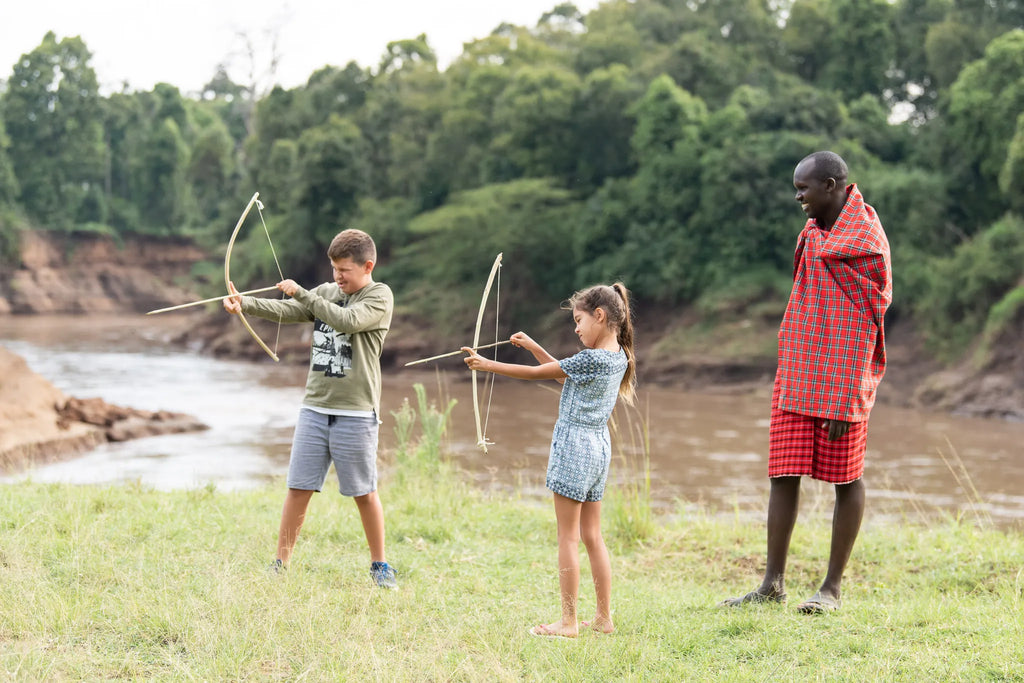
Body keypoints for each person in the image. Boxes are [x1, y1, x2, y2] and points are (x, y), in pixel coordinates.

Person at [721, 151, 892, 614]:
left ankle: (831, 589)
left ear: (832, 185)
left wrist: (845, 398)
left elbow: (867, 323)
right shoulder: (811, 233)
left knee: (846, 477)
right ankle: (771, 584)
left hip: (842, 380)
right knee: (782, 473)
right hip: (799, 369)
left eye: (804, 188)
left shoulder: (866, 242)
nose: (798, 196)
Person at [223, 228, 397, 589]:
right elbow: (290, 311)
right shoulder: (327, 292)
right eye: (333, 269)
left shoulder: (379, 296)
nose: (337, 277)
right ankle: (280, 564)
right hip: (315, 407)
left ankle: (380, 565)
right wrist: (246, 303)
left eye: (344, 271)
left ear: (368, 265)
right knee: (298, 487)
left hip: (356, 410)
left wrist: (302, 291)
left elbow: (345, 320)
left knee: (363, 492)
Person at [462, 283, 636, 637]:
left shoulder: (592, 358)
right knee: (592, 536)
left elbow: (538, 375)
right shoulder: (618, 355)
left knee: (567, 538)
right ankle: (603, 619)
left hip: (574, 446)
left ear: (600, 316)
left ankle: (569, 621)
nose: (576, 328)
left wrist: (486, 364)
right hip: (598, 447)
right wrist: (532, 346)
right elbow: (560, 371)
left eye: (579, 320)